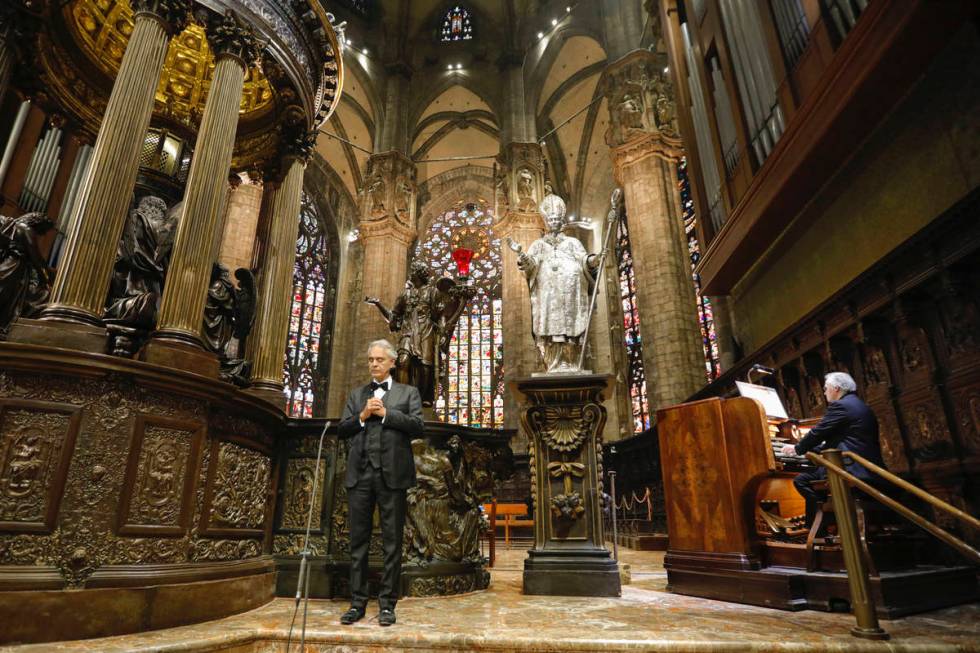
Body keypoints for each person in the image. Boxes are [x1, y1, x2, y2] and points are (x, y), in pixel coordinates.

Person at [337, 339, 424, 627]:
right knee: (358, 542)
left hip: (393, 476)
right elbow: (342, 430)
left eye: (378, 359)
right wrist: (362, 416)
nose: (373, 364)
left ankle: (387, 605)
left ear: (391, 363)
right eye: (370, 360)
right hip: (360, 476)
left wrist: (387, 414)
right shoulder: (356, 395)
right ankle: (357, 603)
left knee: (392, 542)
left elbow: (417, 426)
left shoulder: (407, 393)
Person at [780, 372, 885, 527]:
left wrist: (797, 448)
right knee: (808, 478)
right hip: (863, 465)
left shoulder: (841, 406)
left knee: (801, 480)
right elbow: (843, 441)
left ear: (836, 388)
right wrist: (811, 450)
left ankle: (819, 524)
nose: (823, 392)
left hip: (849, 467)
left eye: (825, 388)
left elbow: (817, 432)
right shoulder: (860, 405)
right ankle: (820, 524)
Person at [517, 187, 599, 373]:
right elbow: (530, 265)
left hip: (570, 295)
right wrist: (522, 256)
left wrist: (593, 260)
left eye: (556, 219)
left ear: (561, 221)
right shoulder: (538, 245)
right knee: (552, 332)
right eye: (550, 219)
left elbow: (583, 259)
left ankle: (572, 363)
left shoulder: (572, 243)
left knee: (570, 330)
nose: (553, 222)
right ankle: (552, 363)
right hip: (547, 297)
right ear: (546, 222)